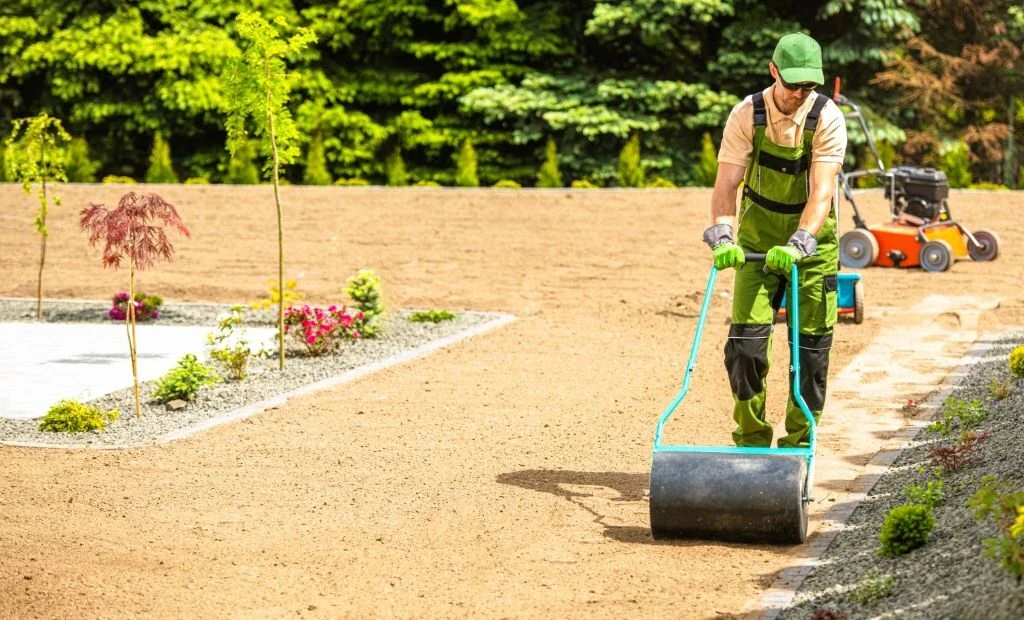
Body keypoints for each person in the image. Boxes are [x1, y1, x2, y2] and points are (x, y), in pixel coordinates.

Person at [702, 32, 848, 448]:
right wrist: (723, 235)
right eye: (793, 84)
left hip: (812, 246)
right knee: (744, 349)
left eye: (809, 85)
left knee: (811, 352)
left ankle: (799, 444)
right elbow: (726, 184)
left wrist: (799, 242)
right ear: (773, 71)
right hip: (756, 242)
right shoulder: (747, 114)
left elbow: (822, 192)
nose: (801, 93)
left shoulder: (827, 117)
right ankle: (751, 441)